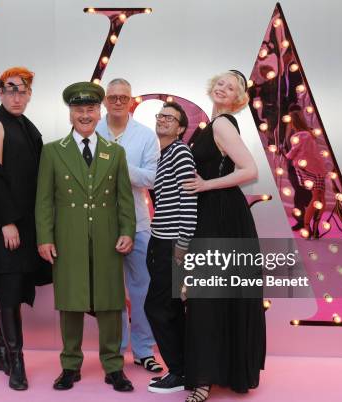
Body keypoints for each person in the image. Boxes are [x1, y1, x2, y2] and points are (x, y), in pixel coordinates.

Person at [35, 81, 137, 392]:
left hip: (107, 237)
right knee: (70, 302)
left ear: (99, 112)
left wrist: (127, 231)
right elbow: (44, 200)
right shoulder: (53, 151)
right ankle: (70, 366)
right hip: (68, 237)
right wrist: (44, 238)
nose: (85, 114)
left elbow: (124, 199)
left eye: (91, 108)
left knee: (109, 302)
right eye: (79, 109)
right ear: (70, 114)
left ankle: (113, 366)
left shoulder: (115, 152)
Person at [182, 70, 266, 401]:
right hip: (214, 214)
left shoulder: (222, 124)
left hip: (221, 216)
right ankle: (220, 372)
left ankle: (203, 381)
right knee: (211, 296)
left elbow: (250, 171)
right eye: (220, 82)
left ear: (237, 98)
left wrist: (206, 185)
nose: (223, 88)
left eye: (231, 87)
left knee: (205, 298)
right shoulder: (213, 124)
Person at [0, 66, 49, 390]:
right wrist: (7, 222)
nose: (16, 95)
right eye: (10, 89)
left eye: (23, 90)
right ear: (0, 92)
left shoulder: (26, 126)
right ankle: (15, 360)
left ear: (30, 94)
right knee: (8, 290)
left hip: (26, 223)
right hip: (2, 223)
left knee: (15, 289)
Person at [96, 78, 162, 373]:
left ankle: (144, 349)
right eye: (113, 97)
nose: (118, 101)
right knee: (110, 290)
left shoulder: (146, 135)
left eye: (124, 97)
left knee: (143, 289)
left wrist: (116, 161)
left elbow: (150, 179)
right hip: (100, 223)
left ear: (131, 100)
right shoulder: (90, 129)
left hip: (137, 222)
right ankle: (116, 351)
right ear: (105, 101)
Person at [145, 102, 197, 393]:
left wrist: (182, 246)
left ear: (180, 128)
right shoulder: (163, 155)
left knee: (158, 307)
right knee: (172, 308)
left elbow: (189, 201)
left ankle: (178, 371)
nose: (163, 120)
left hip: (172, 245)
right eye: (160, 115)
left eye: (170, 117)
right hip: (160, 240)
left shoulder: (180, 152)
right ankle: (182, 370)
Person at [285, 104, 327, 238]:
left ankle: (307, 226)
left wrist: (286, 155)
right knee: (320, 198)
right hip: (318, 168)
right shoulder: (310, 133)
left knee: (313, 197)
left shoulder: (299, 136)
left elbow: (291, 154)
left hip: (306, 169)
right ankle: (314, 226)